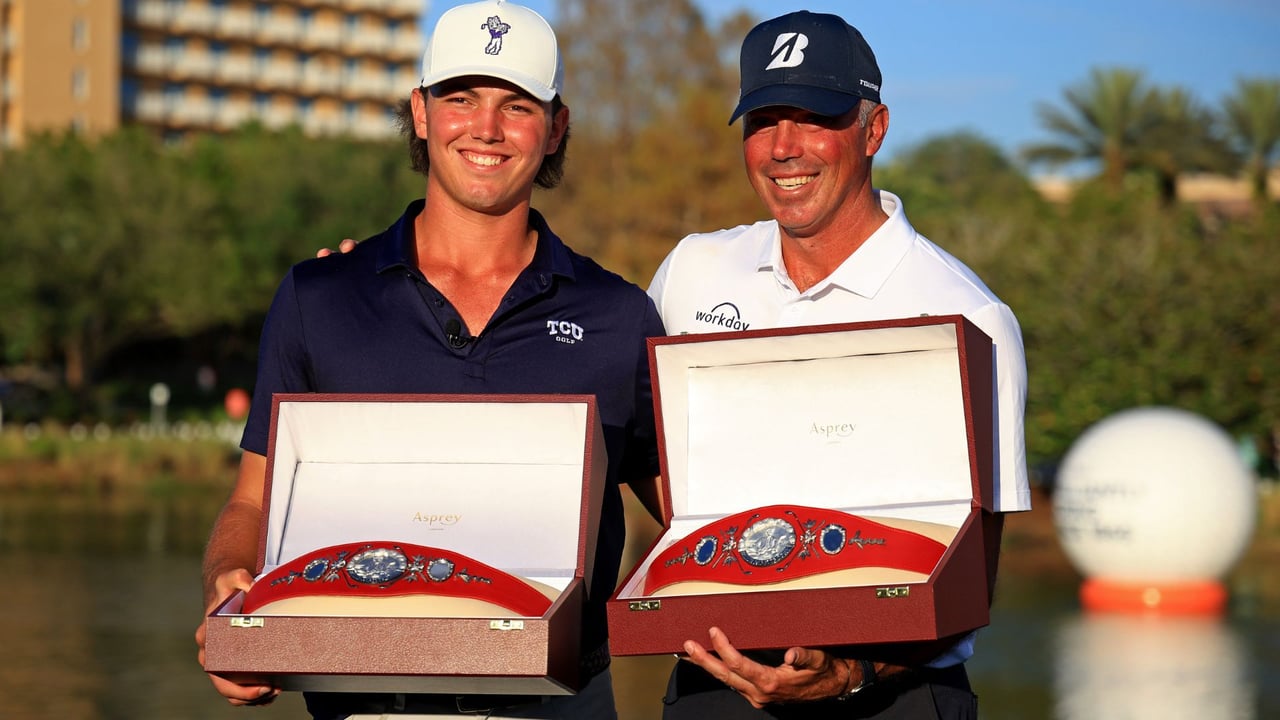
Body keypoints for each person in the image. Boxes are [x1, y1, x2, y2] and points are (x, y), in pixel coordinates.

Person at [194, 2, 664, 719]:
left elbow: (689, 518)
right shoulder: (318, 296)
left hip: (561, 700)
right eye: (461, 98)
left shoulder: (619, 316)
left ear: (556, 127)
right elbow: (252, 503)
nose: (486, 128)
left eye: (517, 106)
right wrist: (229, 588)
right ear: (420, 112)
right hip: (361, 700)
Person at [646, 10, 1030, 719]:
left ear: (874, 129)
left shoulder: (966, 314)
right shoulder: (692, 272)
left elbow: (974, 577)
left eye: (813, 117)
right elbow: (630, 433)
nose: (783, 148)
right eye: (763, 120)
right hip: (714, 682)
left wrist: (852, 672)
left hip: (891, 695)